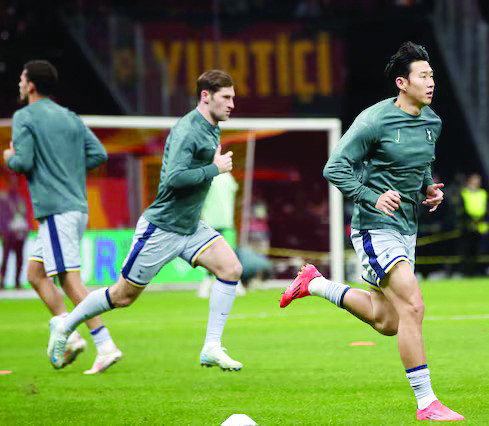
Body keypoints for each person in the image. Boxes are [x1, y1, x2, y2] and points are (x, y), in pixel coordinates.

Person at [279, 42, 464, 422]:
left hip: (407, 229)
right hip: (374, 228)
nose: (431, 82)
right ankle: (426, 402)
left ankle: (314, 284)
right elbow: (335, 168)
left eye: (432, 75)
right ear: (402, 82)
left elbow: (421, 165)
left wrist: (427, 188)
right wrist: (371, 196)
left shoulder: (433, 122)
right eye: (423, 76)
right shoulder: (373, 120)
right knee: (414, 306)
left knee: (388, 321)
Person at [48, 69, 244, 371]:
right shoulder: (187, 130)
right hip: (163, 227)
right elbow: (173, 179)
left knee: (231, 269)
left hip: (190, 226)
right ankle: (65, 326)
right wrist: (214, 169)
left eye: (233, 97)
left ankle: (211, 347)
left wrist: (211, 168)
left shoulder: (212, 127)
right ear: (205, 96)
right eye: (226, 97)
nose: (232, 103)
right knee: (122, 296)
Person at [2, 60, 122, 374]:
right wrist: (66, 165)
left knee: (69, 280)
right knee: (35, 275)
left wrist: (9, 157)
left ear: (30, 85)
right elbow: (99, 154)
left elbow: (24, 161)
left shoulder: (24, 116)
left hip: (56, 210)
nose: (19, 83)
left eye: (21, 77)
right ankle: (68, 334)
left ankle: (105, 343)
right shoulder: (70, 117)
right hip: (76, 207)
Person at [0, 174, 29, 289]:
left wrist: (26, 230)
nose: (14, 185)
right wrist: (2, 231)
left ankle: (17, 281)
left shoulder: (20, 199)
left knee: (19, 259)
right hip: (8, 234)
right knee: (5, 259)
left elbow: (25, 215)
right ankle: (2, 281)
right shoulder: (4, 199)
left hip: (20, 234)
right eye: (12, 183)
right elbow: (2, 217)